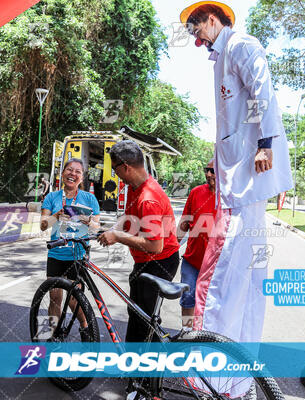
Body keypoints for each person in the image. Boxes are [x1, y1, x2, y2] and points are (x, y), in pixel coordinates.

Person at [181, 2, 293, 397]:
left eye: (196, 26)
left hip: (246, 175)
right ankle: (235, 381)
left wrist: (266, 144)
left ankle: (208, 375)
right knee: (245, 285)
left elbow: (263, 89)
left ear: (212, 18)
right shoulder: (220, 56)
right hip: (238, 178)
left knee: (218, 278)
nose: (194, 36)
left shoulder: (241, 44)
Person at [98, 140, 179, 342]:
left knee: (142, 321)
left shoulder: (148, 198)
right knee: (137, 314)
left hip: (159, 262)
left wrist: (117, 237)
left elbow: (155, 246)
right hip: (146, 262)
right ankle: (137, 369)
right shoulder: (135, 187)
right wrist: (111, 229)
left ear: (125, 167)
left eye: (115, 168)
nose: (114, 174)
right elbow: (128, 219)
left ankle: (145, 369)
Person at [40, 158, 100, 338]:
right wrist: (56, 217)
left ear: (82, 178)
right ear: (63, 173)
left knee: (75, 300)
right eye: (69, 170)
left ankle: (84, 326)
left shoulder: (89, 198)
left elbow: (96, 227)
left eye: (77, 172)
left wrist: (86, 219)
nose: (72, 174)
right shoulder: (52, 197)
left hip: (78, 254)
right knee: (55, 298)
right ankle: (52, 334)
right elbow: (43, 225)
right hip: (56, 253)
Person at [176, 158, 217, 329]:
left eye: (212, 171)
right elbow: (185, 222)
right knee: (187, 298)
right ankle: (187, 333)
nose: (208, 174)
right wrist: (172, 247)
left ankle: (205, 335)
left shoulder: (229, 197)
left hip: (217, 265)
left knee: (211, 303)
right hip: (192, 260)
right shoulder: (196, 192)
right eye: (206, 170)